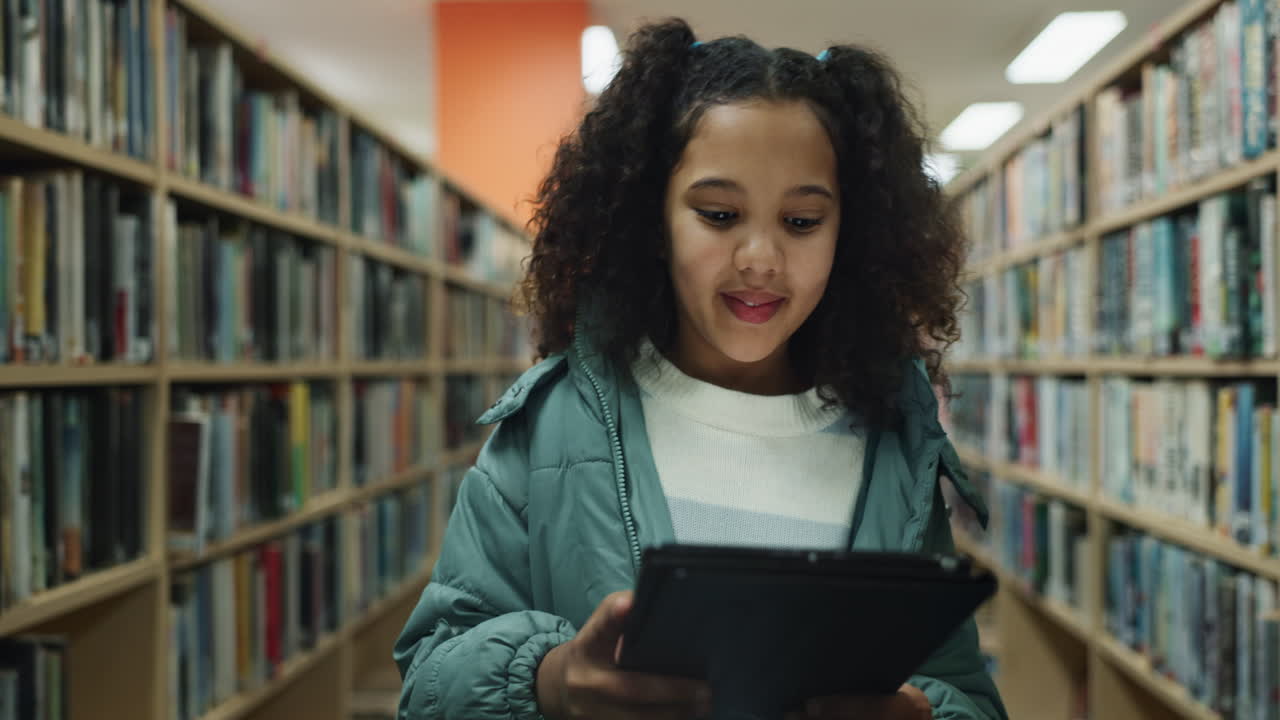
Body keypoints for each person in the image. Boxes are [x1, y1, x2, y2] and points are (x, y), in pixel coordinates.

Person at [395, 17, 1005, 720]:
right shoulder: (553, 424)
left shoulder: (893, 438)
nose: (760, 259)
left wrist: (920, 715)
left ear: (851, 232)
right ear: (653, 220)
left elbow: (967, 692)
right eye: (718, 214)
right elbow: (430, 680)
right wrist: (551, 683)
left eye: (802, 223)